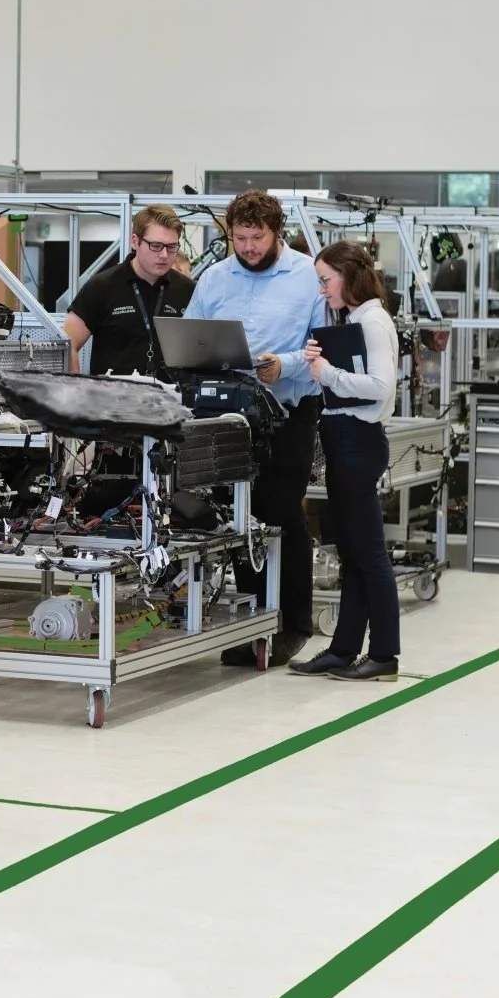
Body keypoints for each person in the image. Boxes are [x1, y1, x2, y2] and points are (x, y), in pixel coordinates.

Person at [185, 190, 323, 666]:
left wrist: (283, 365)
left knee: (279, 513)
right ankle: (252, 623)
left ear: (277, 232)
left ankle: (292, 624)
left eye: (256, 238)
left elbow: (321, 345)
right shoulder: (215, 278)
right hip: (229, 416)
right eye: (239, 238)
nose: (247, 247)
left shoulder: (308, 276)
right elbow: (191, 335)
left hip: (288, 413)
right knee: (239, 519)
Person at [291, 242, 402, 681]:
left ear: (349, 274)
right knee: (353, 554)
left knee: (369, 555)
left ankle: (385, 655)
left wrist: (328, 374)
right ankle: (343, 650)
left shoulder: (372, 321)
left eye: (326, 280)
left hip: (358, 441)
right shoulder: (354, 320)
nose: (322, 290)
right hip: (344, 440)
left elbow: (381, 387)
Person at [64, 204, 194, 377]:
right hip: (113, 392)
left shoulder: (187, 290)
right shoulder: (102, 286)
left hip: (171, 392)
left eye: (171, 247)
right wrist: (75, 387)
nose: (164, 255)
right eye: (156, 246)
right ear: (135, 242)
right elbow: (68, 343)